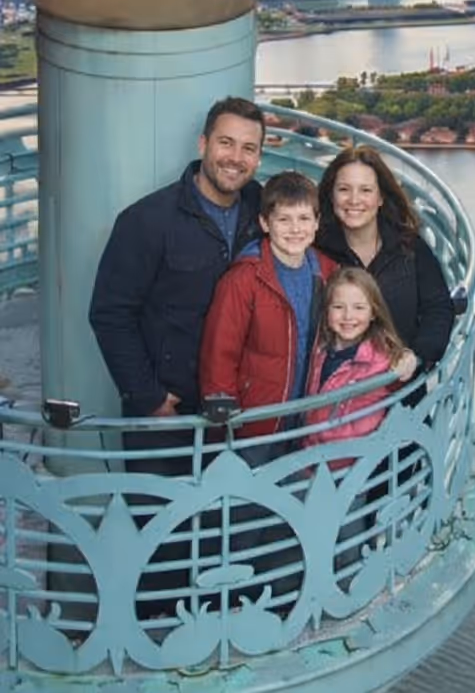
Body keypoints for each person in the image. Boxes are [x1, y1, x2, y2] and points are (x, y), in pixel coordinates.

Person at [88, 95, 265, 619]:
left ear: (259, 157)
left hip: (234, 408)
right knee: (159, 535)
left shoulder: (263, 211)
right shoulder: (147, 220)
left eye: (248, 148)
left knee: (223, 528)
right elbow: (110, 313)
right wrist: (146, 397)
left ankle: (215, 633)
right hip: (166, 408)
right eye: (226, 143)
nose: (235, 157)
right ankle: (155, 641)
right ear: (203, 144)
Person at [198, 171, 337, 463]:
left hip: (306, 415)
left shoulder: (327, 272)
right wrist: (223, 409)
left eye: (303, 219)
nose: (295, 229)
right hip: (256, 420)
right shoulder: (244, 279)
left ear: (317, 222)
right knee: (249, 501)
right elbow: (219, 350)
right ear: (265, 223)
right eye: (284, 219)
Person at [315, 145, 455, 378]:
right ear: (331, 195)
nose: (354, 200)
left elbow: (438, 307)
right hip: (338, 394)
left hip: (400, 391)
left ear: (380, 197)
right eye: (344, 189)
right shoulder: (316, 249)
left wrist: (416, 355)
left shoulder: (410, 247)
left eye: (366, 190)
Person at [303, 267, 415, 465]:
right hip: (310, 454)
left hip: (351, 467)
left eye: (359, 308)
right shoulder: (319, 347)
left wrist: (407, 358)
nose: (348, 316)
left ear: (373, 312)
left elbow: (400, 379)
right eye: (338, 307)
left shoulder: (382, 359)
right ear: (326, 310)